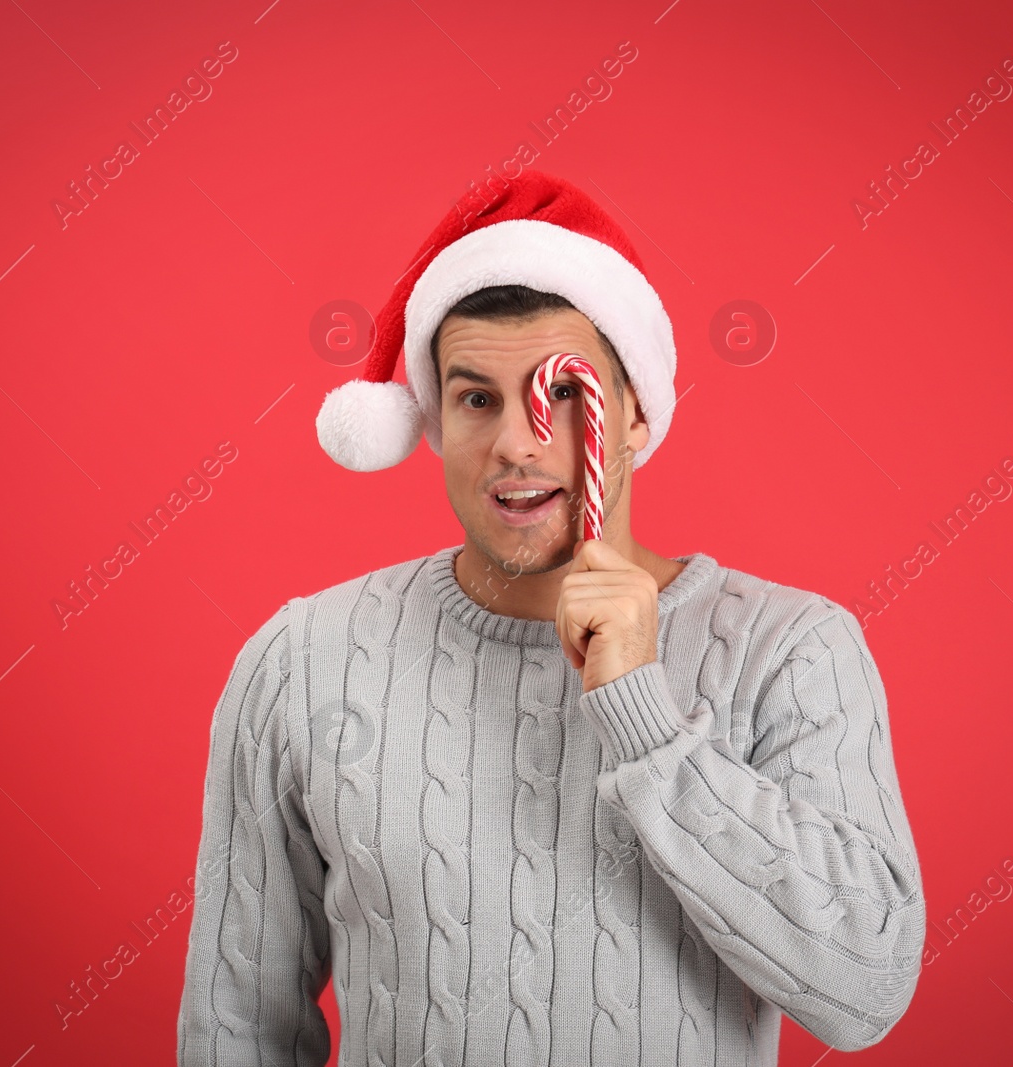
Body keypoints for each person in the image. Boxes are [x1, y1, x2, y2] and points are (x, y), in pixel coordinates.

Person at [177, 171, 924, 1066]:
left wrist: (645, 717)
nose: (517, 444)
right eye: (477, 398)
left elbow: (868, 987)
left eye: (562, 392)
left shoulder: (792, 651)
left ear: (636, 411)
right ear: (435, 419)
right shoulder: (304, 662)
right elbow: (237, 1026)